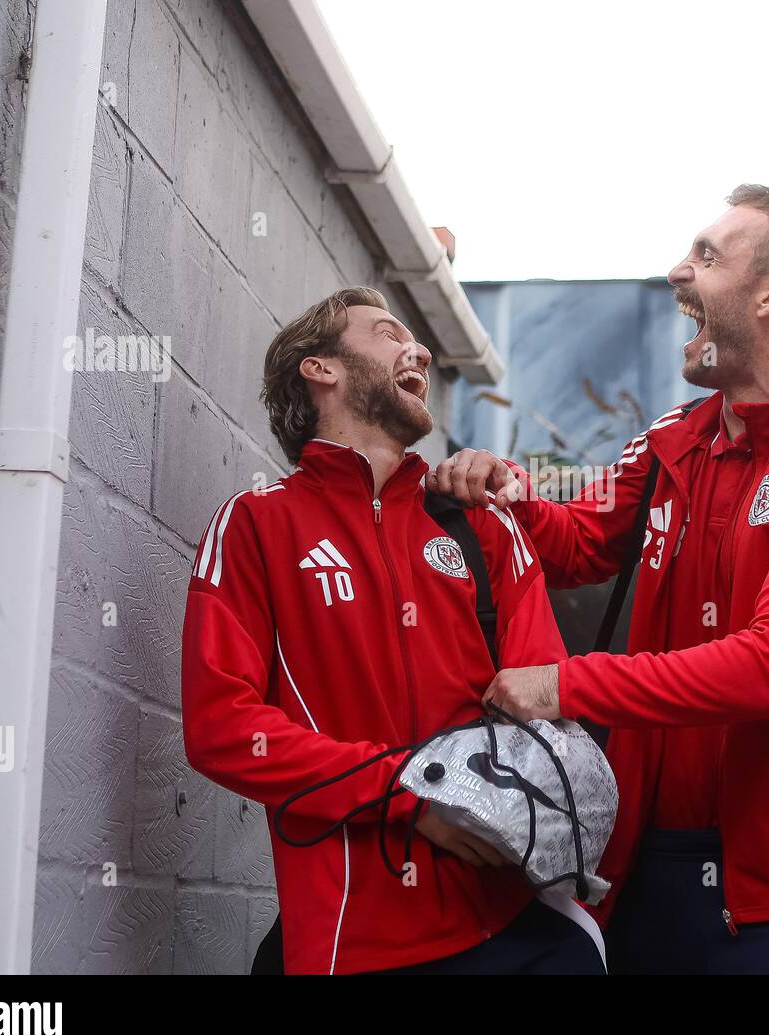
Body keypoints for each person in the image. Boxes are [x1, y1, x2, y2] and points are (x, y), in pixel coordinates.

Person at [429, 186, 769, 975]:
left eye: (708, 256)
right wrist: (502, 489)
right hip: (642, 874)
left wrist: (564, 685)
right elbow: (577, 541)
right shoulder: (668, 442)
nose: (677, 273)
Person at [181, 286, 604, 975]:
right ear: (321, 369)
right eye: (386, 332)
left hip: (518, 934)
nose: (420, 350)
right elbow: (220, 728)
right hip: (347, 947)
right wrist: (408, 790)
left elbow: (552, 715)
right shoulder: (257, 524)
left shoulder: (483, 527)